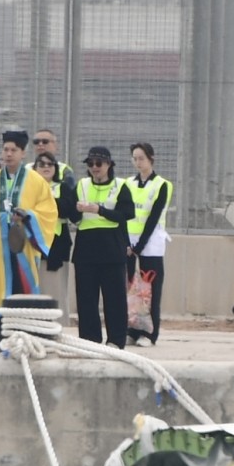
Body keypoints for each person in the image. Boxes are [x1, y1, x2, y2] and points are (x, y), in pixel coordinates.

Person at [0, 130, 58, 346]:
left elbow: (48, 211)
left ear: (23, 153)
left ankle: (25, 340)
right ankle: (0, 339)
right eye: (6, 150)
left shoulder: (36, 181)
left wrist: (28, 216)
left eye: (13, 150)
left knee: (23, 290)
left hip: (23, 248)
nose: (9, 154)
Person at [69, 146, 135, 348]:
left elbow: (126, 214)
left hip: (111, 249)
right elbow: (71, 213)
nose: (94, 167)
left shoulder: (120, 185)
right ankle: (90, 340)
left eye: (99, 163)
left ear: (108, 164)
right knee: (86, 299)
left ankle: (115, 340)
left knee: (115, 299)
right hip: (86, 250)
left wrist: (100, 210)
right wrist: (76, 210)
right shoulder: (82, 185)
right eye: (91, 164)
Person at [125, 142, 173, 347]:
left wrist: (139, 246)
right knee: (130, 287)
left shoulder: (162, 185)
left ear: (151, 158)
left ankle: (150, 333)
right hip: (129, 240)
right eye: (135, 159)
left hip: (151, 242)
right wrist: (128, 243)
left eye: (141, 158)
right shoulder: (128, 183)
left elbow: (153, 218)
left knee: (150, 288)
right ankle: (132, 330)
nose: (138, 163)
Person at [33, 150, 73, 324]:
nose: (46, 167)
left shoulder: (62, 187)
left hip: (57, 245)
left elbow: (66, 209)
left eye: (50, 164)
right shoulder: (29, 188)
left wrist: (45, 203)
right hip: (33, 243)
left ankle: (58, 324)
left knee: (56, 287)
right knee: (37, 286)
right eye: (42, 164)